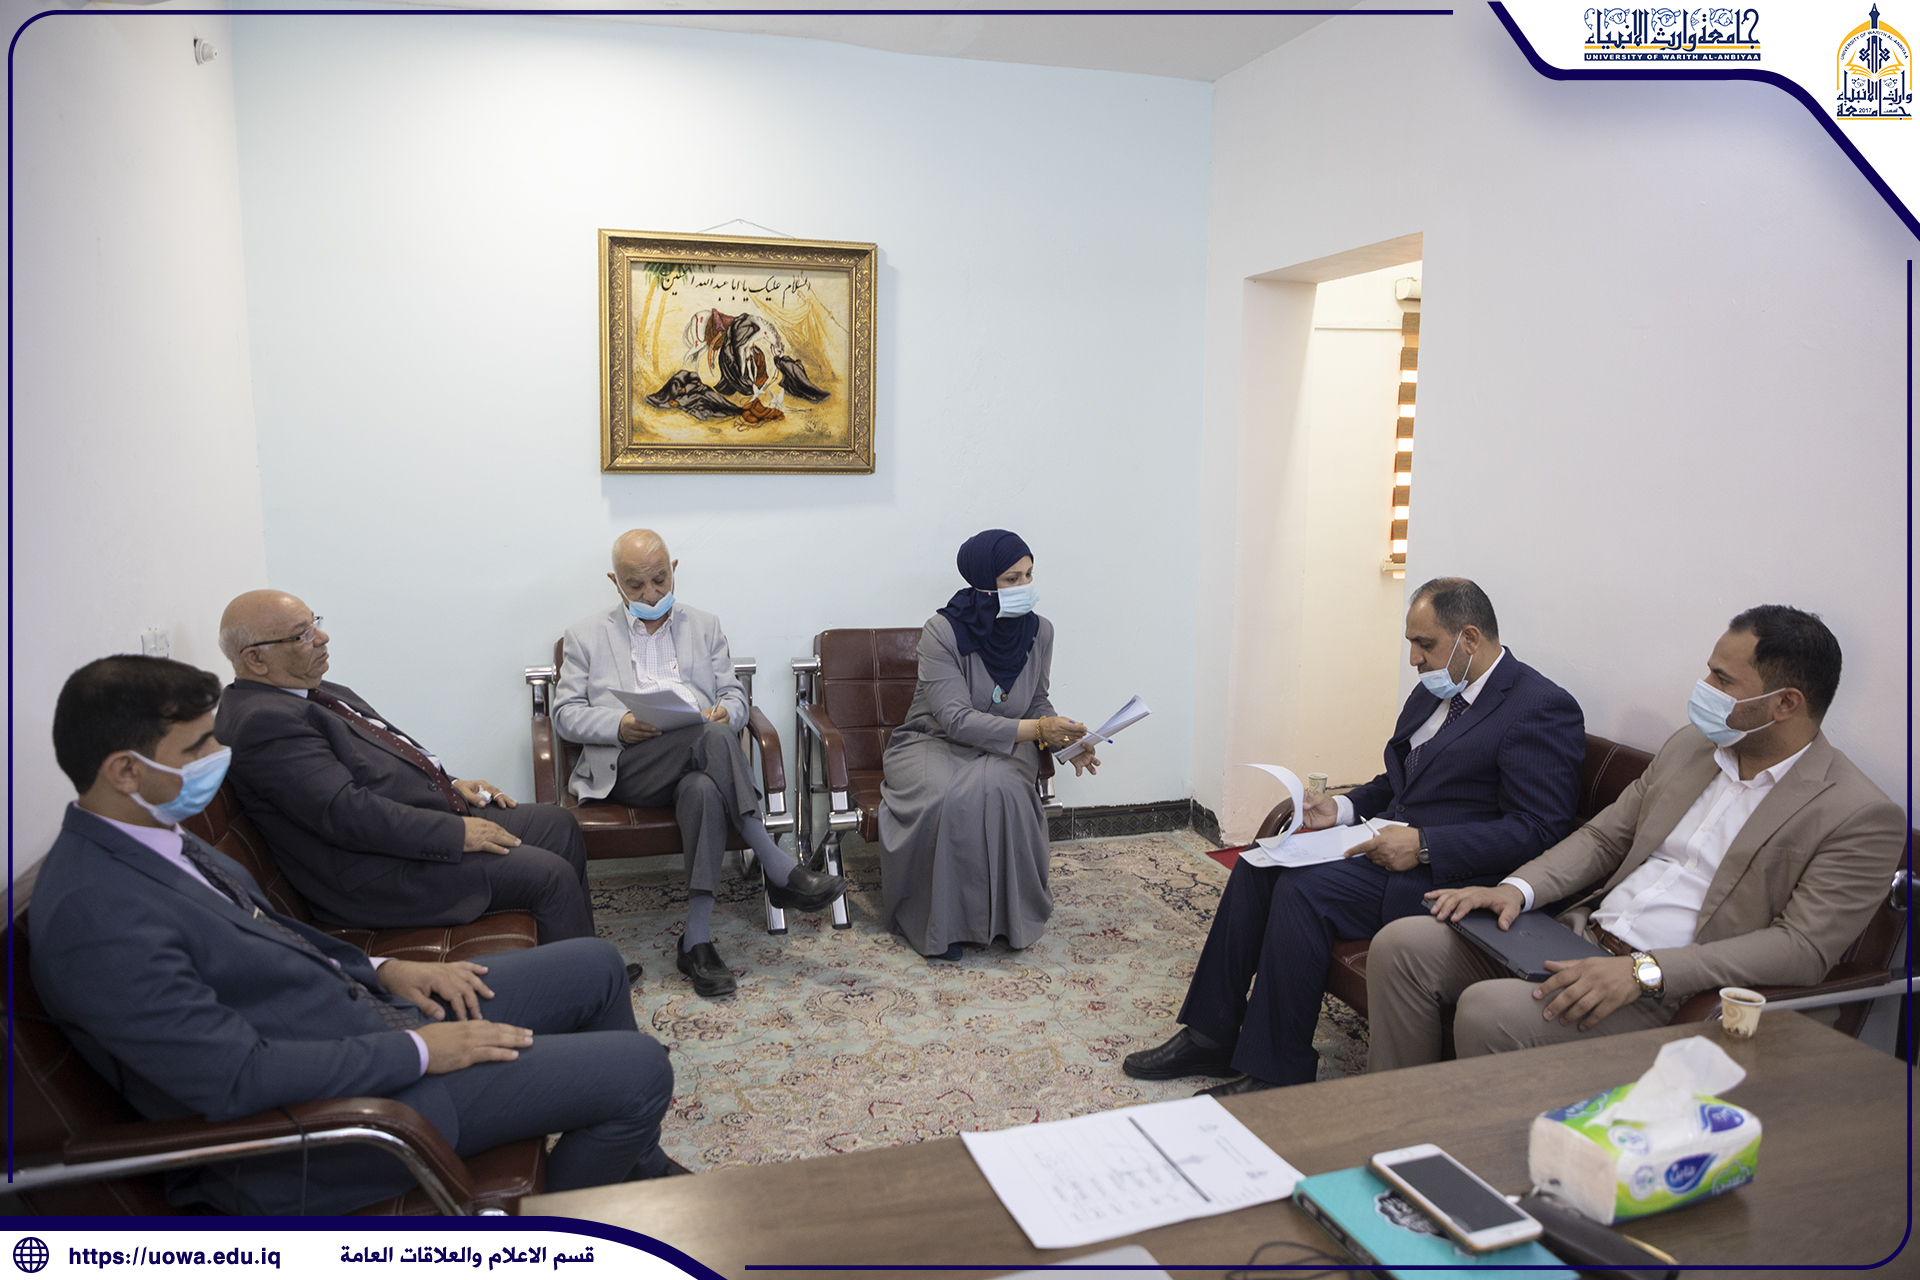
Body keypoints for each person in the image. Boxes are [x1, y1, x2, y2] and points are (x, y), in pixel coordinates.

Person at [30, 656, 681, 1216]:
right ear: (125, 770)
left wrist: (383, 970)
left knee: (596, 966)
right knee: (640, 1072)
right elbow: (235, 1077)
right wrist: (420, 1052)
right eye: (196, 748)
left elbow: (272, 935)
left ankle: (636, 1165)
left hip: (368, 1018)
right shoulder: (96, 915)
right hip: (338, 1122)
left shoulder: (153, 838)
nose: (215, 760)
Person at [1365, 606, 1906, 1067]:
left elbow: (1801, 949)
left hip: (1673, 992)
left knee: (1489, 1012)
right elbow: (1605, 838)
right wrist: (1516, 890)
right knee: (1403, 946)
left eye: (1723, 681)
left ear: (1786, 704)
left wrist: (1644, 971)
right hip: (1579, 939)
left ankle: (1474, 1147)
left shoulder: (1857, 813)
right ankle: (1401, 1118)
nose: (1705, 689)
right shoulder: (1692, 749)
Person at [1124, 577, 1586, 1094]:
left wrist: (1425, 845)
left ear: (1470, 638)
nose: (1413, 658)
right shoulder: (1433, 692)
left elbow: (1538, 829)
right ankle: (1210, 1035)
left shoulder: (1539, 707)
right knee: (1260, 861)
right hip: (1386, 845)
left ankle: (1277, 1073)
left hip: (1448, 877)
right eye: (1410, 643)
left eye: (1425, 644)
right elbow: (1399, 783)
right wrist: (1340, 809)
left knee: (1305, 891)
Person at [214, 591, 607, 961]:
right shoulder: (265, 722)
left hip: (413, 824)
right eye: (302, 634)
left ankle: (585, 960)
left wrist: (452, 784)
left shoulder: (308, 689)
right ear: (256, 659)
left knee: (557, 825)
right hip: (376, 871)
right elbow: (347, 813)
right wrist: (456, 833)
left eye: (314, 622)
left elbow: (383, 758)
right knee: (548, 874)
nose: (322, 637)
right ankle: (579, 989)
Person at [555, 529, 845, 998]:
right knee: (709, 738)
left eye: (660, 580)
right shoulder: (585, 636)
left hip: (697, 761)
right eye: (635, 585)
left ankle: (697, 940)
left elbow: (734, 696)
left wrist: (726, 712)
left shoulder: (705, 626)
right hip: (630, 766)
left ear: (674, 570)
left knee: (704, 787)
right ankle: (777, 865)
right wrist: (619, 724)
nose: (651, 594)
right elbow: (566, 715)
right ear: (614, 582)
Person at [878, 528, 1099, 961]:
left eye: (1029, 575)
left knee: (1002, 789)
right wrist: (1039, 731)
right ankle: (940, 925)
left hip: (1007, 746)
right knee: (944, 796)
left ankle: (1004, 920)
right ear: (982, 581)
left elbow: (1037, 701)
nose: (1024, 587)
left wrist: (1068, 744)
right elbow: (956, 720)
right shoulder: (941, 632)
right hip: (933, 741)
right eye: (1011, 579)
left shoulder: (1040, 632)